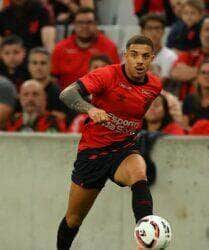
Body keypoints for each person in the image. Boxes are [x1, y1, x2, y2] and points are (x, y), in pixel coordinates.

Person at [57, 35, 163, 250]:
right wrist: (91, 109)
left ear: (152, 58)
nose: (139, 61)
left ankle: (146, 240)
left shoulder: (154, 86)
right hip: (93, 152)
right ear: (126, 56)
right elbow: (67, 94)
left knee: (139, 173)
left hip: (123, 148)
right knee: (74, 219)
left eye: (145, 56)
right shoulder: (107, 75)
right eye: (134, 55)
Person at [51, 7, 120, 90]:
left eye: (89, 22)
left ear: (96, 24)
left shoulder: (109, 47)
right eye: (80, 22)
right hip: (66, 98)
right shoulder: (61, 48)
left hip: (98, 98)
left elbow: (117, 78)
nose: (84, 26)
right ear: (74, 24)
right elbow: (53, 79)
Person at [28, 47, 68, 120]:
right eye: (34, 63)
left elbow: (64, 118)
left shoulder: (59, 95)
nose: (38, 67)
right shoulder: (24, 90)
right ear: (29, 66)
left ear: (50, 66)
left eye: (43, 63)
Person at [182, 60, 209, 130]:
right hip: (192, 138)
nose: (206, 76)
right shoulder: (189, 99)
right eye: (203, 73)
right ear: (198, 77)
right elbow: (184, 127)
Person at [140, 13, 178, 83]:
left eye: (157, 28)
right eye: (149, 28)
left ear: (163, 31)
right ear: (142, 31)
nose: (154, 32)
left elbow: (164, 83)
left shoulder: (171, 56)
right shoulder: (133, 55)